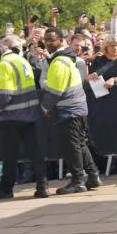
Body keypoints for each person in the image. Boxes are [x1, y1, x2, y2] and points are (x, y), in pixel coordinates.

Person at [0, 35, 48, 200]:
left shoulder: (3, 65)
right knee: (35, 152)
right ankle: (42, 185)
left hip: (11, 116)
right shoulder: (21, 60)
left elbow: (4, 95)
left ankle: (5, 188)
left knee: (9, 155)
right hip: (30, 113)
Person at [41, 27, 103, 194]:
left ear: (61, 40)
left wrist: (45, 107)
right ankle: (93, 175)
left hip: (69, 110)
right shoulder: (68, 58)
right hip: (78, 108)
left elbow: (55, 90)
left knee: (72, 147)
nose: (48, 43)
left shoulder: (59, 61)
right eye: (46, 40)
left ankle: (78, 181)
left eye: (52, 40)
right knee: (80, 144)